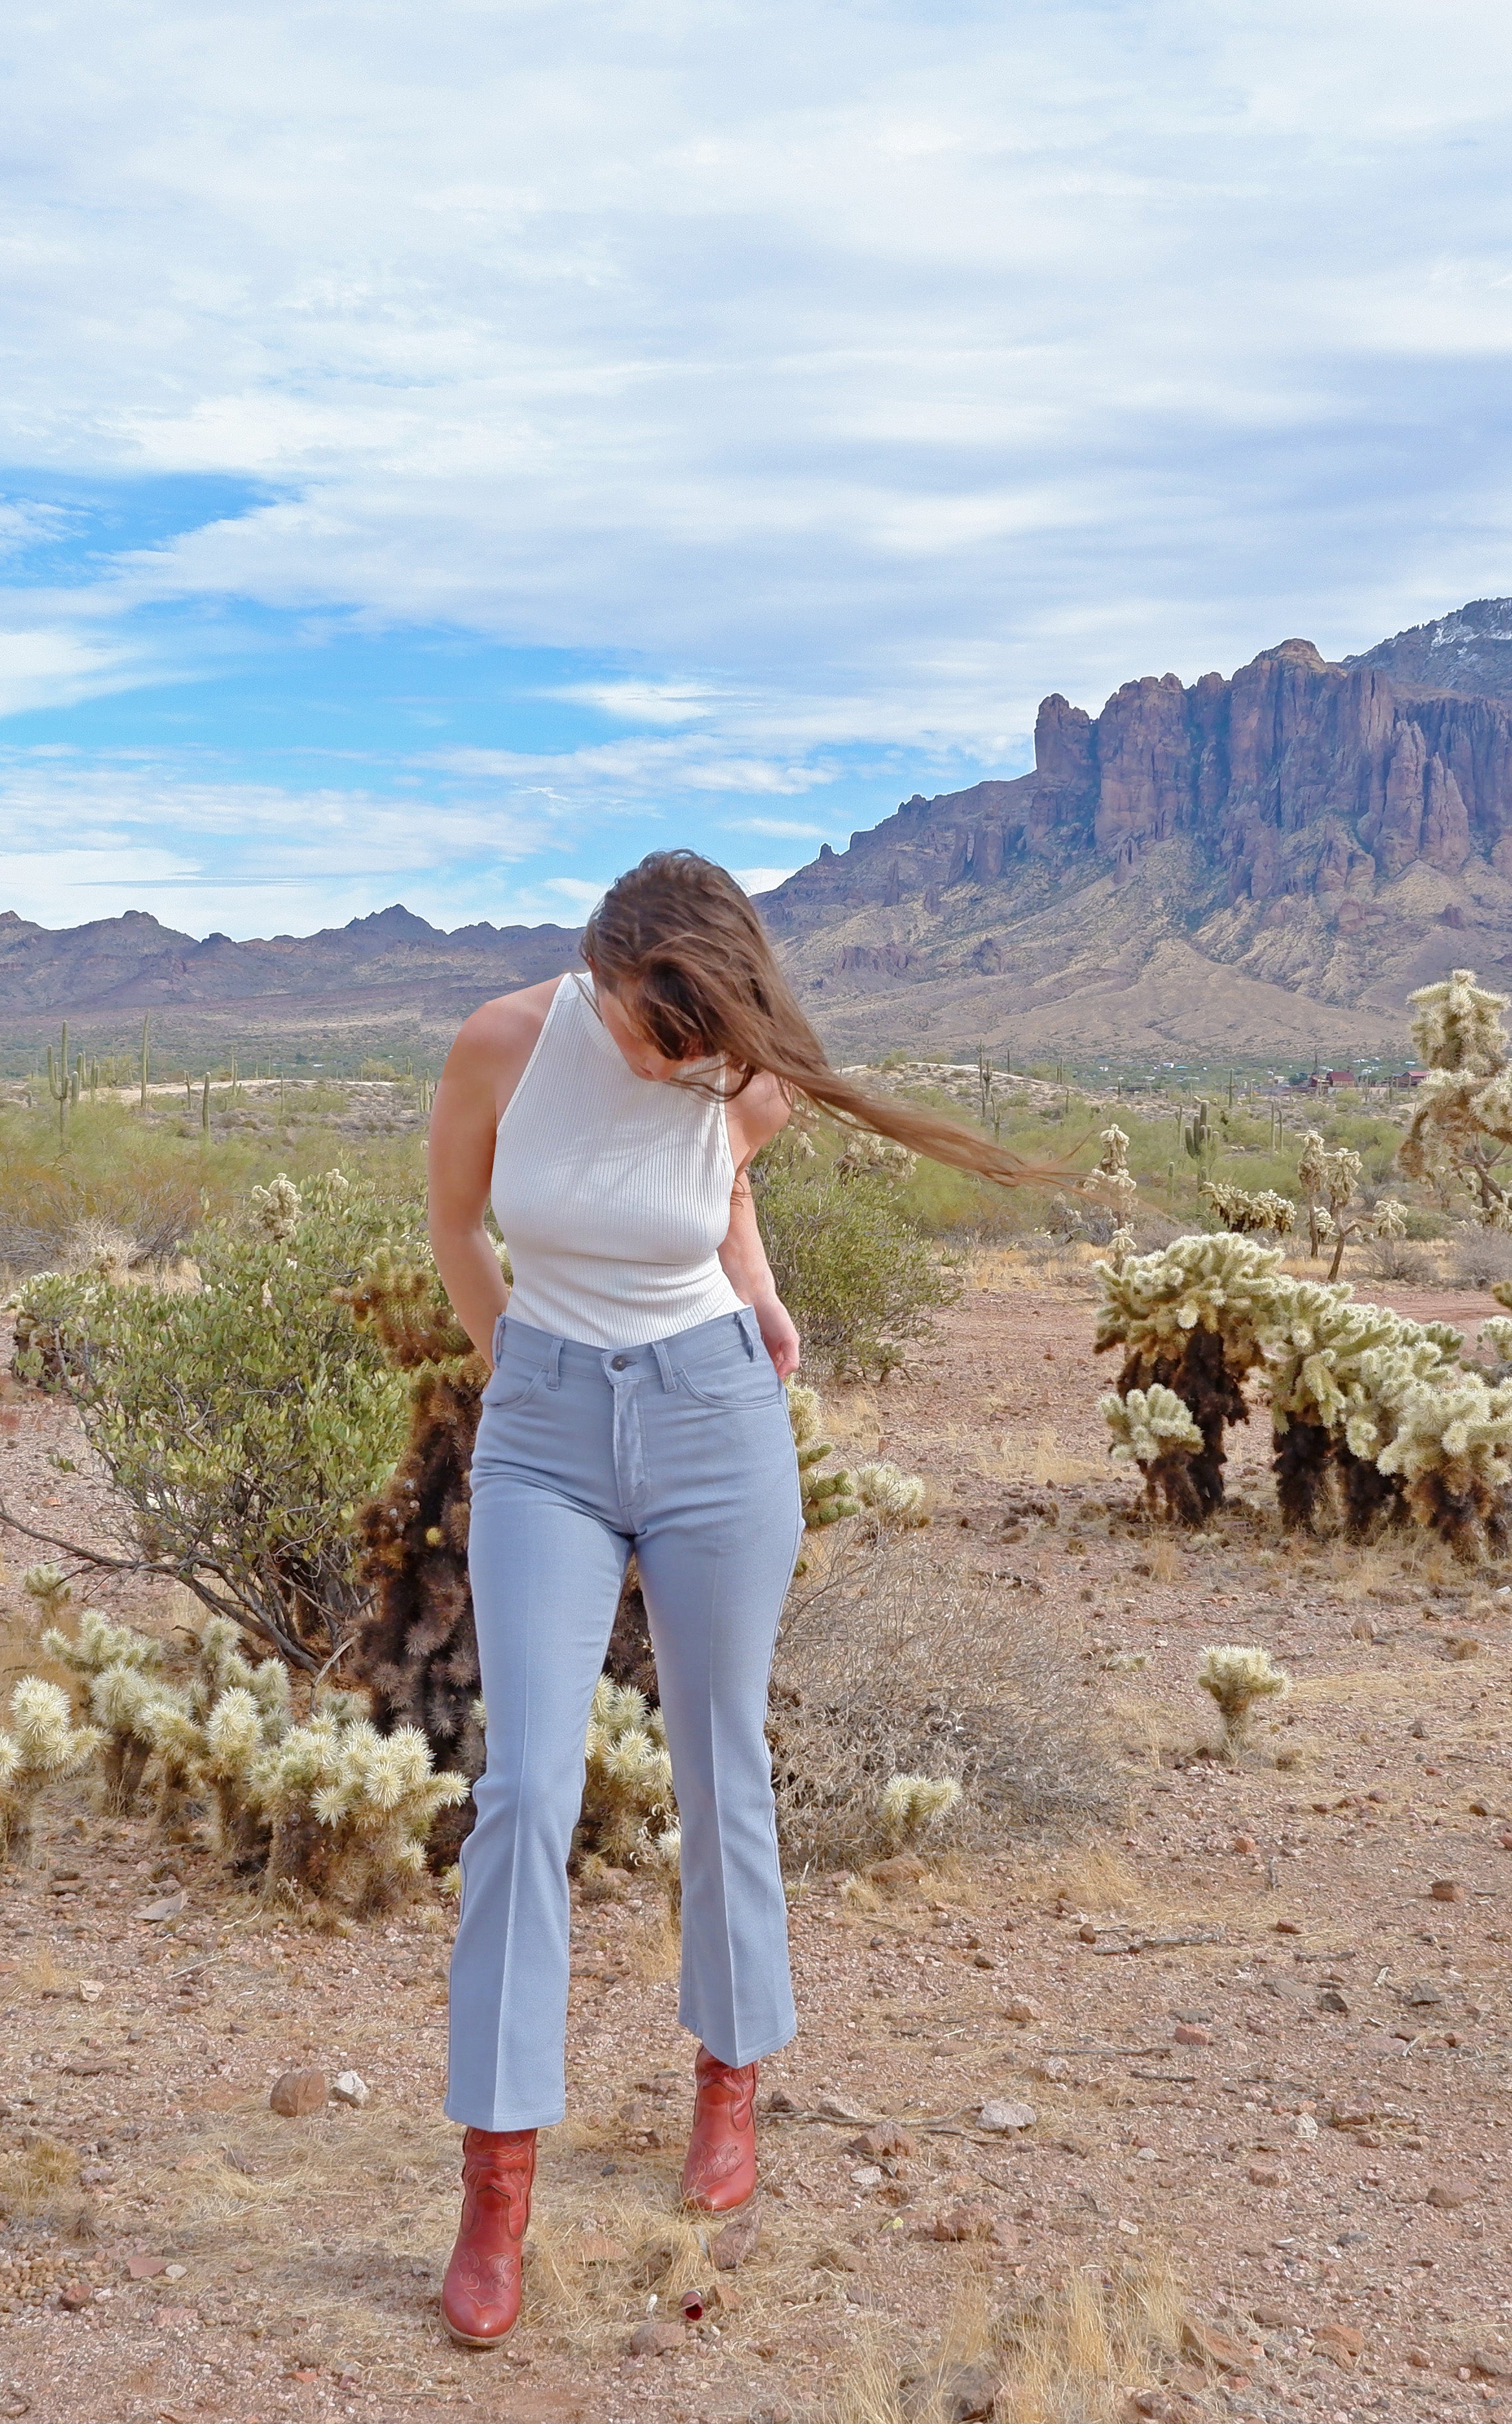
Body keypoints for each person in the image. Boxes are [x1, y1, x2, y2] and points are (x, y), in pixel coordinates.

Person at [422, 850, 1045, 2349]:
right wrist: (524, 1373)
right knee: (525, 1785)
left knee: (722, 1757)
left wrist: (757, 1288)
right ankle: (497, 2177)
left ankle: (728, 2071)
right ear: (603, 970)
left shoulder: (737, 1070)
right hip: (548, 1433)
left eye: (701, 1040)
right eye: (656, 1030)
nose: (676, 1063)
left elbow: (723, 1190)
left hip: (715, 1417)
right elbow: (455, 1225)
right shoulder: (507, 1038)